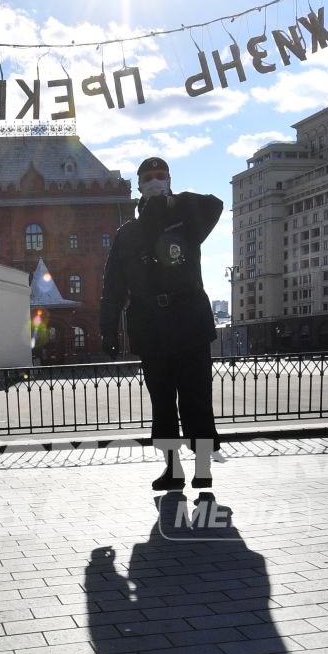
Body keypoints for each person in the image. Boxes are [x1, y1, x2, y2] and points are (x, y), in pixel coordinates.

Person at [100, 156, 224, 492]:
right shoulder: (128, 235)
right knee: (163, 403)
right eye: (149, 178)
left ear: (169, 180)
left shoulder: (186, 221)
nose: (155, 181)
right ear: (139, 185)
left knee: (196, 398)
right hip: (151, 327)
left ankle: (202, 468)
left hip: (189, 324)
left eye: (161, 176)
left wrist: (173, 201)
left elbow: (215, 205)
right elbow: (112, 288)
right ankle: (172, 469)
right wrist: (108, 331)